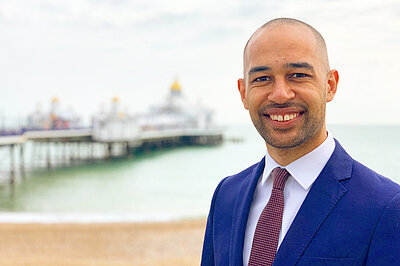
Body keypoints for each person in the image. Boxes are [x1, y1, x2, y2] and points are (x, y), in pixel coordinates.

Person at [201, 18, 400, 266]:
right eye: (262, 78)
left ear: (330, 85)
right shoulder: (226, 195)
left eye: (298, 75)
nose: (280, 94)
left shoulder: (387, 207)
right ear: (243, 93)